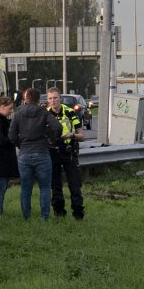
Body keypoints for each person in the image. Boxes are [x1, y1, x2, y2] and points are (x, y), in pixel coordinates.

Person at [10, 88, 60, 219]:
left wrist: (20, 145)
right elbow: (58, 127)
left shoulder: (18, 113)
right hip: (42, 153)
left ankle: (26, 217)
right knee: (45, 187)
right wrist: (51, 140)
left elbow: (11, 135)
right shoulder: (44, 113)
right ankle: (45, 217)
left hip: (24, 154)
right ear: (39, 100)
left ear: (26, 99)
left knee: (26, 188)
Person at [48, 88, 88, 220]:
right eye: (50, 98)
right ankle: (59, 213)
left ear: (60, 98)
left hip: (69, 151)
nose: (53, 101)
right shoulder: (45, 114)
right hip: (53, 152)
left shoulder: (70, 113)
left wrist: (72, 135)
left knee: (74, 184)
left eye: (55, 98)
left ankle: (78, 214)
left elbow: (82, 135)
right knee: (55, 185)